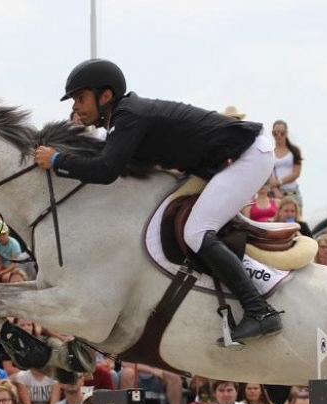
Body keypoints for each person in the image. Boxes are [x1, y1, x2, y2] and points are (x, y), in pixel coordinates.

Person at [34, 59, 281, 343]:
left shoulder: (129, 116)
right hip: (230, 160)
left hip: (247, 158)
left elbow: (105, 170)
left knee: (196, 231)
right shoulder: (124, 119)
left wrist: (56, 160)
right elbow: (109, 160)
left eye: (80, 98)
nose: (75, 106)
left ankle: (259, 311)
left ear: (105, 96)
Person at [268, 120, 303, 205]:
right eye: (276, 133)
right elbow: (268, 173)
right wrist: (275, 189)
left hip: (291, 191)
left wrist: (278, 182)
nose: (279, 136)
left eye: (282, 133)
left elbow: (296, 173)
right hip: (275, 193)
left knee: (293, 217)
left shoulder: (294, 151)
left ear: (286, 133)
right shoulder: (269, 152)